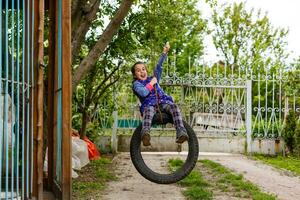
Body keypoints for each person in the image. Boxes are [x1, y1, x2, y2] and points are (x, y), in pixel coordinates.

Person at [131, 42, 189, 146]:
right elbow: (144, 93)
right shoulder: (136, 84)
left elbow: (159, 66)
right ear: (135, 75)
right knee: (148, 111)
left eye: (143, 69)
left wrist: (164, 53)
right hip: (149, 105)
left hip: (163, 102)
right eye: (138, 71)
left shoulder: (153, 78)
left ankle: (181, 132)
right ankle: (145, 134)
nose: (142, 72)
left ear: (146, 71)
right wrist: (151, 83)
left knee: (174, 107)